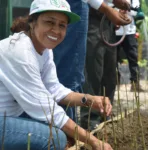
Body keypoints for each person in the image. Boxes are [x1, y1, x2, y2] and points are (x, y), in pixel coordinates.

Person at [0, 0, 113, 150]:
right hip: (4, 118)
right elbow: (48, 110)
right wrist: (94, 141)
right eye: (49, 22)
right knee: (56, 138)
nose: (56, 30)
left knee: (62, 134)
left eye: (62, 25)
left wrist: (89, 100)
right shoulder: (22, 53)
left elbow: (54, 89)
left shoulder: (44, 49)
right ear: (33, 22)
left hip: (10, 115)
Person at [53, 0, 132, 122]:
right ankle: (89, 119)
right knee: (92, 71)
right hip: (92, 14)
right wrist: (107, 7)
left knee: (109, 72)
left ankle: (105, 114)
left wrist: (114, 7)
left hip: (107, 18)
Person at [116, 0, 145, 92]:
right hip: (114, 32)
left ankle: (135, 83)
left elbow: (136, 11)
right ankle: (116, 82)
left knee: (133, 58)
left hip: (129, 32)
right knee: (113, 59)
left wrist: (126, 9)